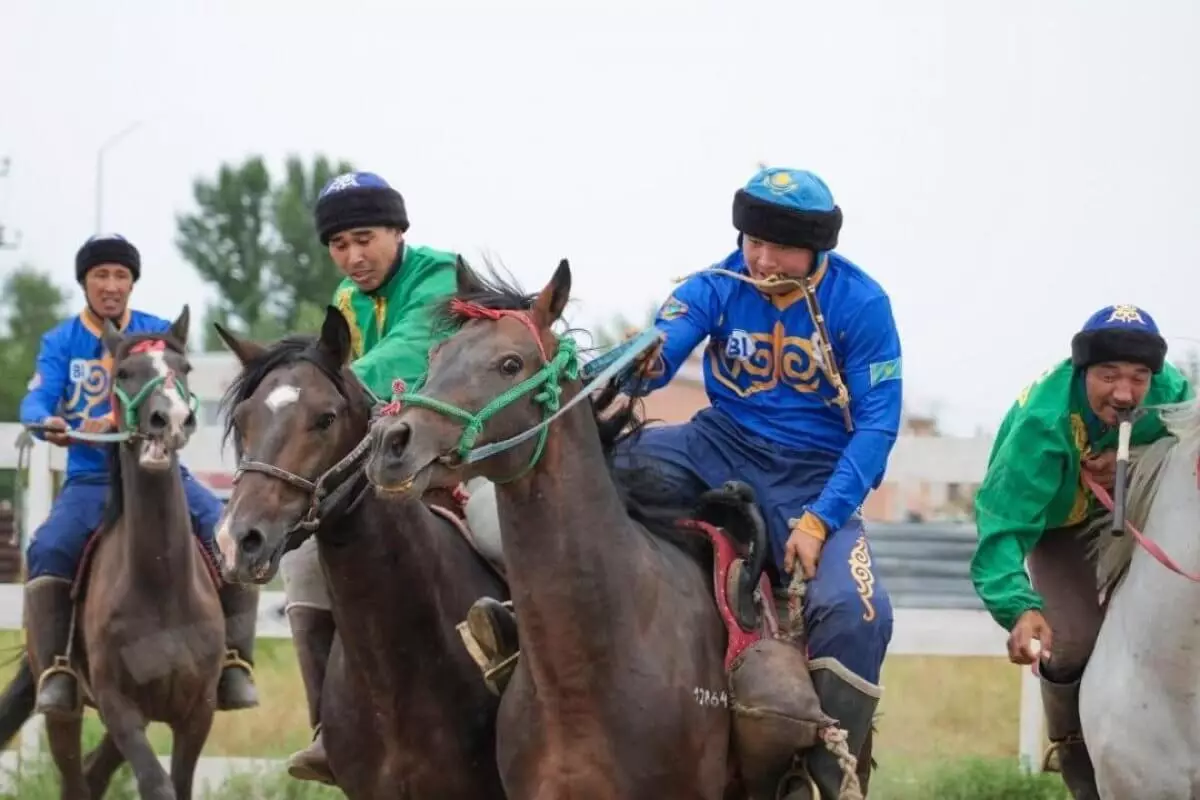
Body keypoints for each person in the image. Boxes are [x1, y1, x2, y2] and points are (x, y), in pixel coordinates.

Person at [463, 166, 903, 797]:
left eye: (778, 246)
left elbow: (878, 428)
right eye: (752, 240)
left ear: (818, 249)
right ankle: (522, 625)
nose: (760, 258)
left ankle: (822, 774)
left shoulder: (862, 305)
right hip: (714, 443)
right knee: (584, 477)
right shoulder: (716, 283)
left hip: (813, 475)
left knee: (859, 613)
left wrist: (820, 519)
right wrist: (638, 362)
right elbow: (663, 345)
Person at [19, 233, 260, 717]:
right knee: (48, 548)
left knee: (228, 537)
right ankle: (57, 670)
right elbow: (37, 400)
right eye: (100, 275)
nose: (111, 285)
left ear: (132, 283)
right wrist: (51, 424)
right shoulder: (61, 341)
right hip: (92, 477)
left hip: (162, 473)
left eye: (121, 276)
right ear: (84, 282)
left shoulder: (154, 332)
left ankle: (234, 660)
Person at [281, 171, 461, 784]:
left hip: (467, 458)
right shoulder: (344, 302)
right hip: (388, 465)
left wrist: (327, 392)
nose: (354, 257)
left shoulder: (441, 274)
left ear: (397, 231)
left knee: (500, 531)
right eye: (339, 245)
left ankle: (540, 694)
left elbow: (410, 350)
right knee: (302, 559)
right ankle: (330, 731)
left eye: (365, 239)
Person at [971, 304, 1192, 799]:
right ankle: (1075, 753)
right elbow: (1001, 527)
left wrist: (1131, 462)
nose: (1124, 392)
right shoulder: (1041, 424)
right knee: (1069, 640)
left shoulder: (1174, 393)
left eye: (1138, 378)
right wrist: (1019, 607)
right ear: (1082, 371)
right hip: (1057, 524)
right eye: (1108, 375)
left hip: (1139, 509)